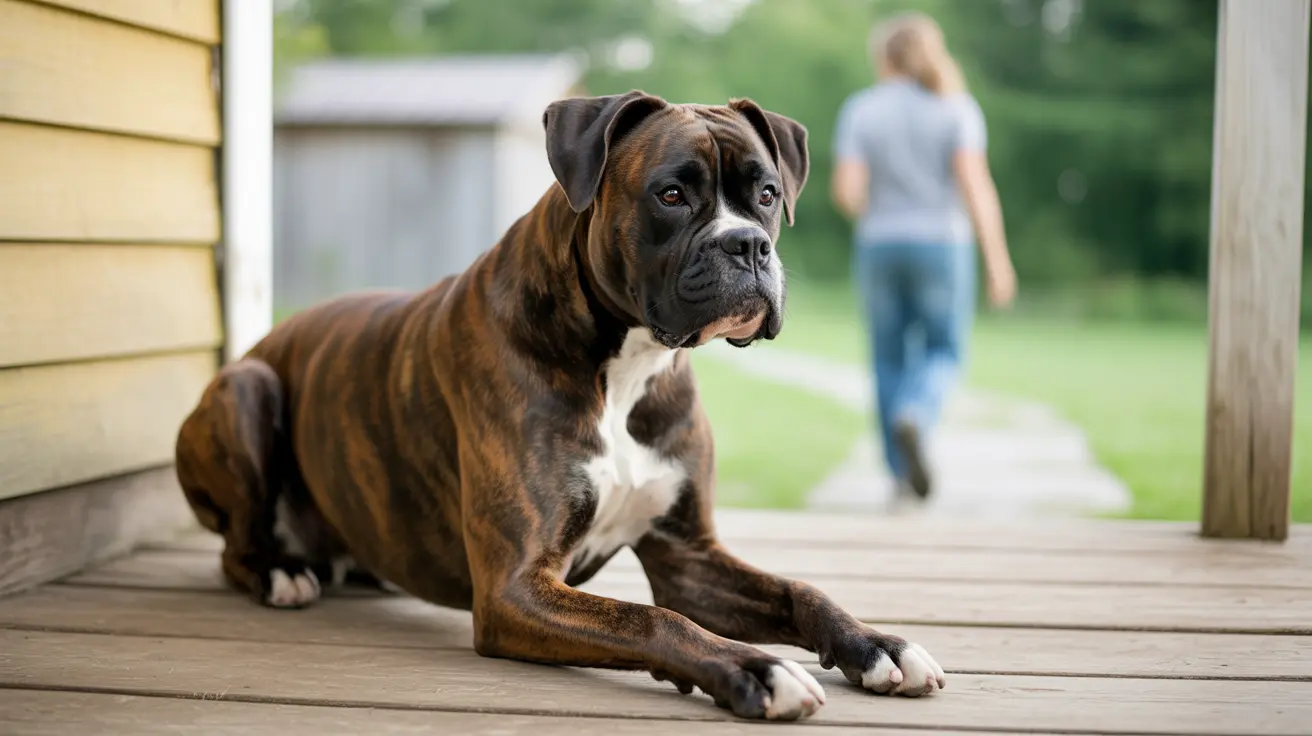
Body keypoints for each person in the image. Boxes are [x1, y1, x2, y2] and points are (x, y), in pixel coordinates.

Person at [830, 11, 1016, 502]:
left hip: (880, 245)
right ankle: (916, 412)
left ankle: (898, 473)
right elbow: (975, 188)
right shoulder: (956, 109)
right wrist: (998, 260)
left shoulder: (862, 110)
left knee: (887, 356)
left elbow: (847, 191)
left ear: (885, 57)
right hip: (943, 245)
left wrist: (880, 213)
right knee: (944, 350)